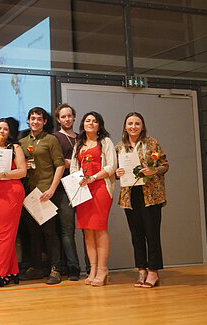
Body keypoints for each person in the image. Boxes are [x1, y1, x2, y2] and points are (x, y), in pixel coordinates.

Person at [116, 112, 169, 288]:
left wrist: (154, 170)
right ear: (125, 126)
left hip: (151, 195)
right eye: (130, 123)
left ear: (143, 126)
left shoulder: (151, 143)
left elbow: (165, 165)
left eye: (137, 123)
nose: (133, 126)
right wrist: (117, 173)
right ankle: (141, 270)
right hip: (130, 196)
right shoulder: (120, 147)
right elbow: (117, 172)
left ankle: (153, 272)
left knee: (152, 234)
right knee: (136, 235)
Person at [70, 111, 117, 287]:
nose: (91, 123)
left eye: (94, 121)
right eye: (88, 120)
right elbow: (74, 168)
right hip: (83, 189)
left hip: (100, 187)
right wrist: (79, 178)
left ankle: (103, 269)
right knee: (87, 230)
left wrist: (93, 178)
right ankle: (93, 268)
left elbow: (111, 166)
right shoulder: (78, 145)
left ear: (99, 125)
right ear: (83, 124)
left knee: (99, 228)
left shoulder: (105, 142)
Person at [19, 108, 65, 285]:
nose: (35, 121)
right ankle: (36, 267)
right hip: (29, 194)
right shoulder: (22, 142)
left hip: (46, 193)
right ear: (28, 121)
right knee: (33, 233)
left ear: (45, 122)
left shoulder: (51, 139)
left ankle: (56, 268)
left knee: (50, 233)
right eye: (32, 118)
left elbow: (59, 165)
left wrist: (53, 189)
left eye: (39, 119)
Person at [0, 118, 27, 288]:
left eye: (5, 129)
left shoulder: (15, 148)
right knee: (1, 234)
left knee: (6, 233)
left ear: (10, 132)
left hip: (11, 191)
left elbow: (22, 171)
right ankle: (12, 270)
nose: (1, 131)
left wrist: (4, 175)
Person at [52, 103, 81, 281]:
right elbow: (55, 161)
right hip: (63, 188)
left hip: (82, 184)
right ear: (58, 119)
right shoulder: (55, 138)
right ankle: (73, 267)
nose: (67, 119)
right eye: (63, 117)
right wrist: (68, 163)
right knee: (67, 229)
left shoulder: (81, 137)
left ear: (74, 117)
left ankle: (93, 267)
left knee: (88, 227)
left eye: (69, 116)